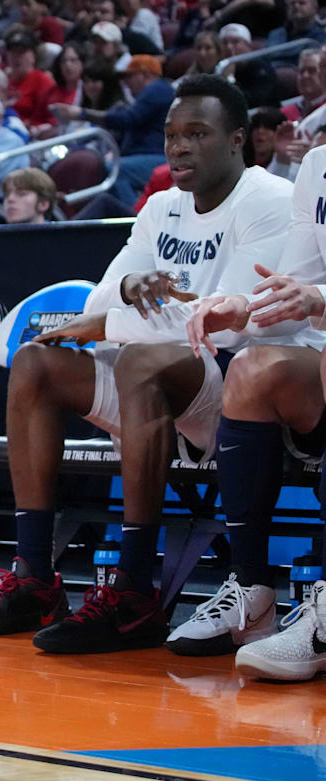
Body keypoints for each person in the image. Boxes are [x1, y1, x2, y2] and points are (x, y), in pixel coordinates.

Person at [0, 76, 296, 655]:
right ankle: (33, 575)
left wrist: (118, 316)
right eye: (171, 135)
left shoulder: (268, 201)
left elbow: (221, 321)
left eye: (197, 134)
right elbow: (97, 303)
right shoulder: (160, 207)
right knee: (34, 361)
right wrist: (129, 289)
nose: (178, 147)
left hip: (233, 391)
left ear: (237, 141)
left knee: (142, 360)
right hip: (156, 382)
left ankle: (133, 589)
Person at [184, 145, 326, 675]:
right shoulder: (317, 165)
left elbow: (315, 295)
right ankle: (253, 592)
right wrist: (244, 308)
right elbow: (296, 291)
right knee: (248, 368)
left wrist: (315, 296)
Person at [52, 55, 172, 204]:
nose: (126, 83)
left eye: (129, 77)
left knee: (115, 170)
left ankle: (133, 218)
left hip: (155, 157)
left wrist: (82, 114)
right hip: (142, 156)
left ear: (145, 74)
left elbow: (128, 119)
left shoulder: (157, 89)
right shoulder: (151, 93)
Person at [4, 31, 57, 129]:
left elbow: (48, 119)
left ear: (33, 56)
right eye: (13, 52)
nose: (17, 58)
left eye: (21, 52)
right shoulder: (3, 80)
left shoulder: (42, 80)